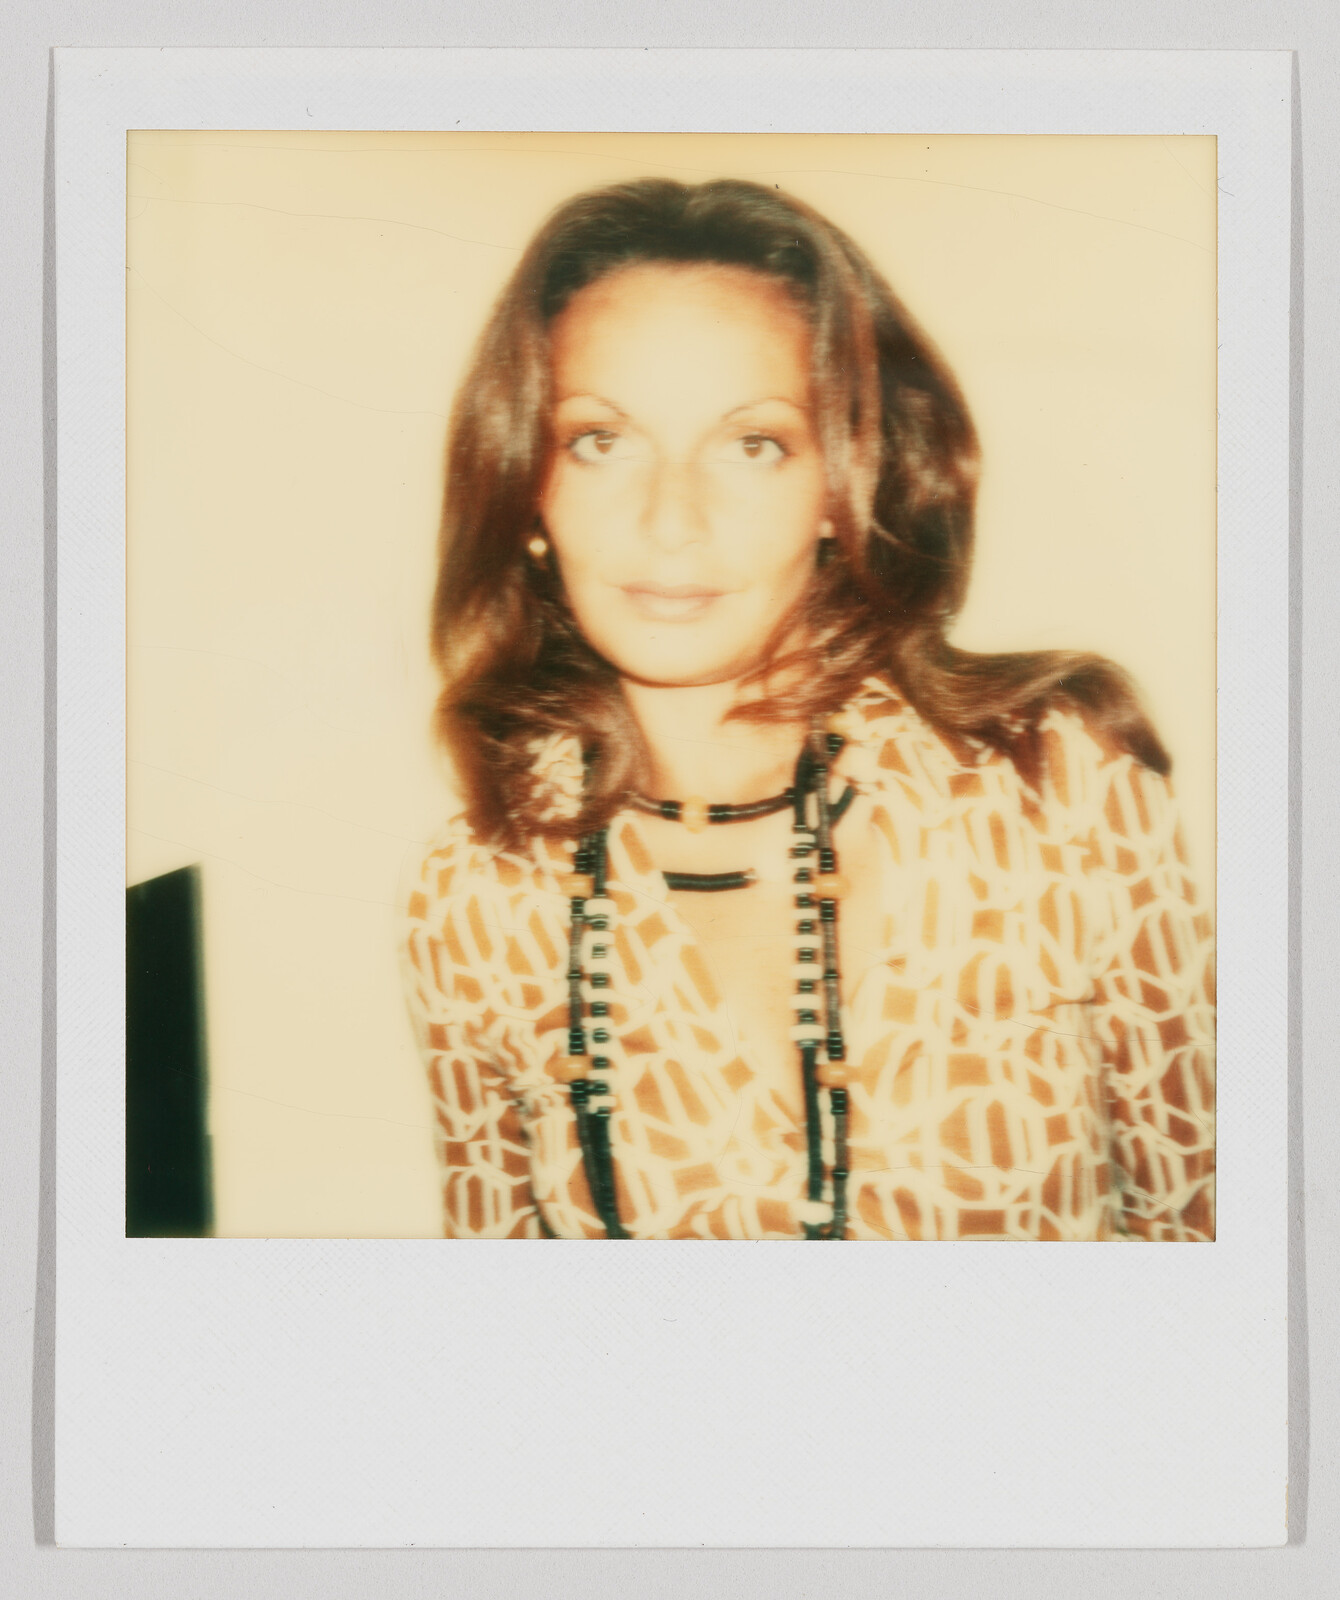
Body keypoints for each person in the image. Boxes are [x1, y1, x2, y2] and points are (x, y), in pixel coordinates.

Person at [401, 177, 1215, 1241]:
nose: (670, 521)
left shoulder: (1057, 786)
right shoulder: (472, 901)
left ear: (841, 485)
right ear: (528, 492)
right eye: (600, 439)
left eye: (753, 444)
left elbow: (1208, 1241)